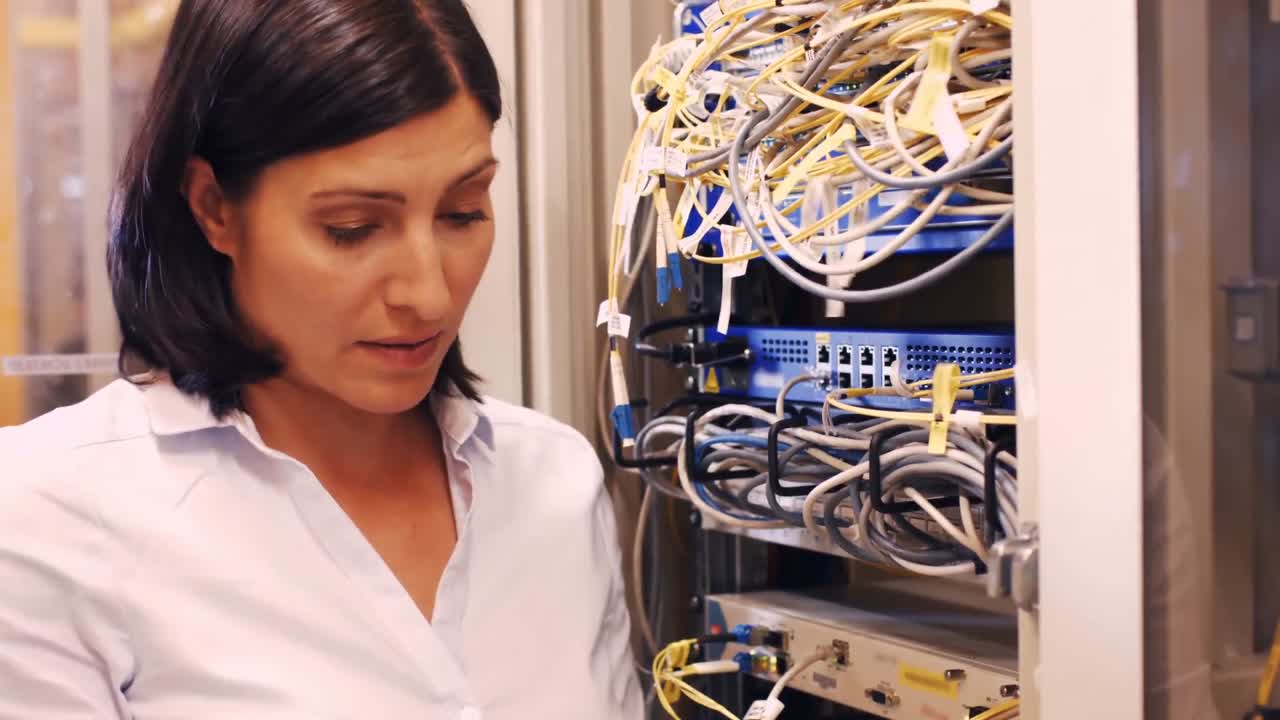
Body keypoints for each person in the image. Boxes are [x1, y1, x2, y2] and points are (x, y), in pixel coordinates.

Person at [0, 2, 642, 718]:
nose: (427, 295)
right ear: (214, 207)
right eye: (353, 229)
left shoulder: (555, 485)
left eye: (463, 212)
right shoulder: (47, 517)